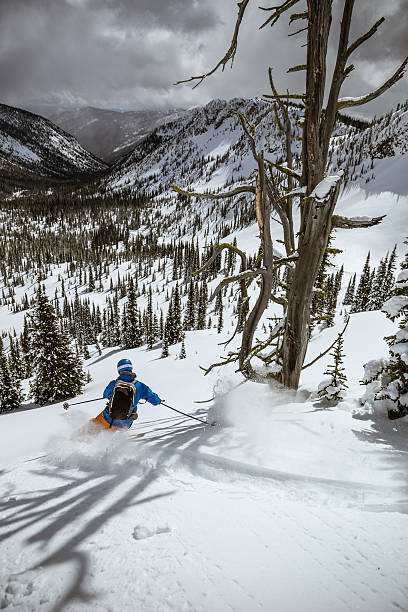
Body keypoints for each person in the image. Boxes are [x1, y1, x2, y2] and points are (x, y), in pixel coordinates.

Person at [91, 358, 162, 430]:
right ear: (131, 369)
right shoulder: (140, 386)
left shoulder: (113, 384)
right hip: (125, 424)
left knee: (92, 424)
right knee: (114, 431)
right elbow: (154, 400)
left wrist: (112, 396)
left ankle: (82, 437)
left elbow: (105, 394)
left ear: (119, 371)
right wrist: (159, 401)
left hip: (108, 418)